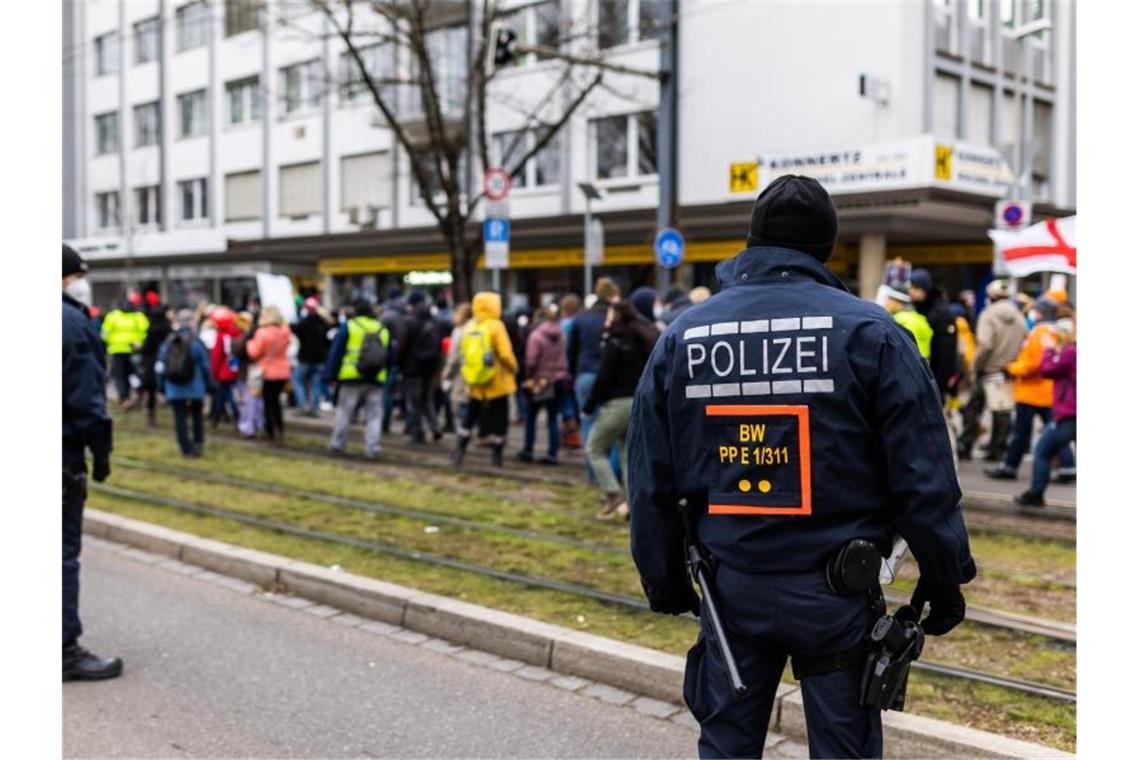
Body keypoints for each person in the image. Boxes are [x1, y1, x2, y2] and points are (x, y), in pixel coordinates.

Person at [628, 176, 975, 759]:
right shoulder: (872, 333)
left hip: (729, 585)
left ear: (753, 241)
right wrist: (944, 575)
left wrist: (662, 577)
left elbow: (651, 477)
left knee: (726, 746)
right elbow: (923, 476)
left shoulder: (685, 335)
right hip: (836, 595)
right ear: (825, 249)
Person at [62, 244, 122, 682]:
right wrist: (100, 453)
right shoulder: (71, 322)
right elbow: (86, 399)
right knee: (60, 553)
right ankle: (63, 650)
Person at [985, 298, 1076, 481]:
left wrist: (1012, 368)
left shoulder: (1040, 332)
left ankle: (1011, 467)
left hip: (1031, 392)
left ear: (1041, 312)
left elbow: (1035, 363)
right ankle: (1067, 467)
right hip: (1048, 392)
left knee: (1022, 433)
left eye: (1036, 310)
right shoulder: (1056, 331)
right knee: (1054, 431)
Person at [584, 300, 656, 520]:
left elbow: (604, 377)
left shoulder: (614, 341)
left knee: (594, 448)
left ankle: (612, 494)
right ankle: (634, 506)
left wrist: (590, 405)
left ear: (616, 316)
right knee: (627, 457)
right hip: (638, 402)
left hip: (617, 403)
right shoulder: (643, 338)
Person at [959, 279, 1027, 461]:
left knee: (973, 409)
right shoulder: (1019, 317)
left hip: (988, 370)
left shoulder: (988, 315)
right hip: (1007, 371)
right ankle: (997, 449)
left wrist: (975, 367)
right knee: (1002, 412)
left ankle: (966, 445)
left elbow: (985, 344)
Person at [452, 292, 519, 467]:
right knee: (500, 417)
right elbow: (505, 354)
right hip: (497, 380)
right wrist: (514, 368)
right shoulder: (496, 326)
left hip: (475, 379)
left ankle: (460, 449)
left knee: (471, 416)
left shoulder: (469, 326)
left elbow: (462, 353)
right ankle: (497, 455)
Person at [1016, 315, 1076, 506]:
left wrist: (1049, 349)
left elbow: (1048, 369)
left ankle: (1036, 494)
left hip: (1069, 411)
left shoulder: (1071, 353)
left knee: (1043, 448)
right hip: (1069, 411)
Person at [324, 299, 392, 460]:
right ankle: (372, 449)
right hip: (376, 379)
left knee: (344, 412)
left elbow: (337, 353)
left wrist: (331, 376)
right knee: (374, 416)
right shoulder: (382, 329)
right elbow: (389, 357)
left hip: (351, 377)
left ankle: (338, 444)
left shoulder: (349, 326)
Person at [568, 278, 621, 477]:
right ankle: (613, 472)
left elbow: (571, 351)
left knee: (589, 422)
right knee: (615, 429)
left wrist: (574, 374)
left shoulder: (581, 318)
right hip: (611, 377)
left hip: (585, 375)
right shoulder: (615, 317)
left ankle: (593, 472)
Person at [519, 303, 569, 465]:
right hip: (559, 378)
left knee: (531, 416)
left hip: (540, 380)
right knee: (553, 418)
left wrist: (528, 377)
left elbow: (531, 361)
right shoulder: (562, 334)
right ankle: (552, 453)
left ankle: (528, 449)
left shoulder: (536, 336)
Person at [157, 309, 212, 457]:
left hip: (174, 387)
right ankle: (198, 443)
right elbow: (205, 365)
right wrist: (209, 384)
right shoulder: (196, 342)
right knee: (197, 415)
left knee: (179, 417)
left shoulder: (169, 342)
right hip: (195, 386)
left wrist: (161, 387)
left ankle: (185, 447)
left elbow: (161, 366)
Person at [400, 291, 444, 444]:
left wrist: (401, 364)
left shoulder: (409, 321)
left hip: (413, 368)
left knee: (414, 401)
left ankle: (417, 433)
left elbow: (403, 346)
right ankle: (435, 427)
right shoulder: (434, 321)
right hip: (431, 367)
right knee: (427, 399)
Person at [245, 305, 293, 443]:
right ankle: (280, 428)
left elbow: (254, 352)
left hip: (267, 370)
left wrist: (250, 342)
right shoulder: (285, 332)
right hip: (283, 370)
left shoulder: (262, 332)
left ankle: (270, 430)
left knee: (268, 402)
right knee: (277, 402)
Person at [910, 269, 958, 403]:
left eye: (915, 288)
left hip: (935, 378)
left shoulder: (940, 313)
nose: (911, 292)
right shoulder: (919, 308)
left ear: (924, 289)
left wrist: (940, 385)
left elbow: (947, 353)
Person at [101, 292, 150, 407]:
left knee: (119, 375)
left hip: (117, 350)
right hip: (134, 350)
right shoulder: (138, 317)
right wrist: (140, 343)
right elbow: (146, 332)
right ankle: (139, 390)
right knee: (134, 373)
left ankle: (124, 397)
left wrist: (108, 344)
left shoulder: (112, 317)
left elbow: (104, 334)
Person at [291, 296, 333, 417]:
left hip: (305, 359)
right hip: (319, 359)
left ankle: (303, 407)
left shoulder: (303, 322)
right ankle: (314, 408)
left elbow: (294, 329)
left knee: (298, 380)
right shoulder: (323, 323)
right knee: (316, 384)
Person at [139, 295, 171, 427]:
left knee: (151, 390)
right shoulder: (168, 329)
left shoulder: (151, 329)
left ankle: (151, 416)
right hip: (169, 362)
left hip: (152, 361)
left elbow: (146, 348)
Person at [440, 302, 473, 431]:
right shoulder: (475, 327)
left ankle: (463, 433)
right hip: (474, 371)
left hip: (461, 373)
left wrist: (446, 373)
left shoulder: (459, 332)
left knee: (461, 403)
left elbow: (453, 357)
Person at [207, 307, 242, 428]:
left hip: (223, 371)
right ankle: (218, 417)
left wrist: (214, 372)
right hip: (234, 367)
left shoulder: (220, 336)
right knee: (226, 394)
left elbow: (216, 356)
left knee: (225, 395)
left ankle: (219, 418)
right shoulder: (237, 333)